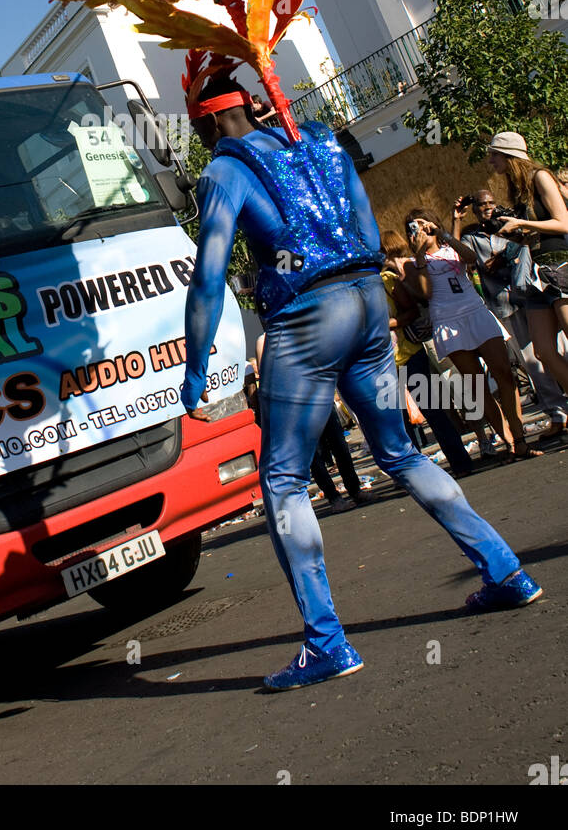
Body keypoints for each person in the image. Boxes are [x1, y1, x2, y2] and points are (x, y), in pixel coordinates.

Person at [179, 71, 542, 692]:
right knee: (399, 451)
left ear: (209, 123)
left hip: (308, 320)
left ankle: (326, 642)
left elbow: (209, 277)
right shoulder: (319, 137)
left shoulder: (225, 172)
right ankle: (506, 572)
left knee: (285, 478)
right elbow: (371, 234)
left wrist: (194, 365)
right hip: (368, 303)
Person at [403, 209, 542, 461]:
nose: (420, 230)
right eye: (414, 227)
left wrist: (444, 233)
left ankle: (520, 436)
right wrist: (421, 253)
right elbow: (425, 293)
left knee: (504, 374)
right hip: (447, 321)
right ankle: (510, 441)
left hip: (476, 313)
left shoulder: (451, 249)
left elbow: (471, 258)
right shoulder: (413, 264)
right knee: (477, 387)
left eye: (423, 224)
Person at [455, 190, 568, 434]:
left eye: (491, 203)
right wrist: (456, 220)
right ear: (475, 210)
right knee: (532, 361)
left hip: (533, 291)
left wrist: (505, 255)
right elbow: (465, 259)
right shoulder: (471, 236)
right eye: (482, 205)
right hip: (505, 303)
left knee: (559, 351)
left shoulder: (511, 222)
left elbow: (526, 245)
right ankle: (558, 413)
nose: (487, 208)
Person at [380, 235, 474, 477]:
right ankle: (415, 476)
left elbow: (411, 311)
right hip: (380, 364)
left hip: (408, 356)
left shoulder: (386, 280)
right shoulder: (350, 293)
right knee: (398, 423)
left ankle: (461, 463)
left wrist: (387, 323)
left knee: (433, 410)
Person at [486, 132, 568, 397]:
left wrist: (522, 223)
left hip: (558, 266)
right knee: (542, 350)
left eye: (494, 154)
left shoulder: (540, 177)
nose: (490, 161)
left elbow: (563, 222)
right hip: (535, 274)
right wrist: (516, 235)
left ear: (510, 155)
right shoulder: (518, 189)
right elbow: (537, 232)